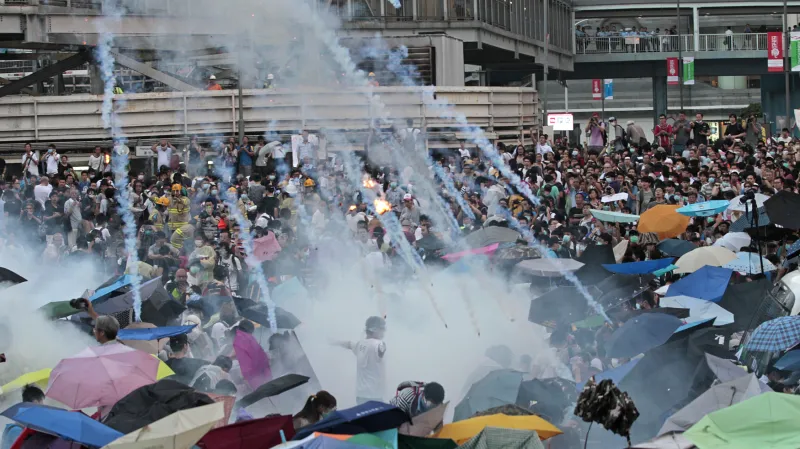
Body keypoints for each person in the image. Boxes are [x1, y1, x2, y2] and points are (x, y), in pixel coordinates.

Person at [333, 316, 386, 404]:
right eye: (382, 329)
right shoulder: (378, 344)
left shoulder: (360, 344)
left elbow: (349, 344)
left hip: (361, 395)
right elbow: (381, 349)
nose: (383, 332)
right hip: (375, 396)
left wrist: (335, 342)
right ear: (375, 329)